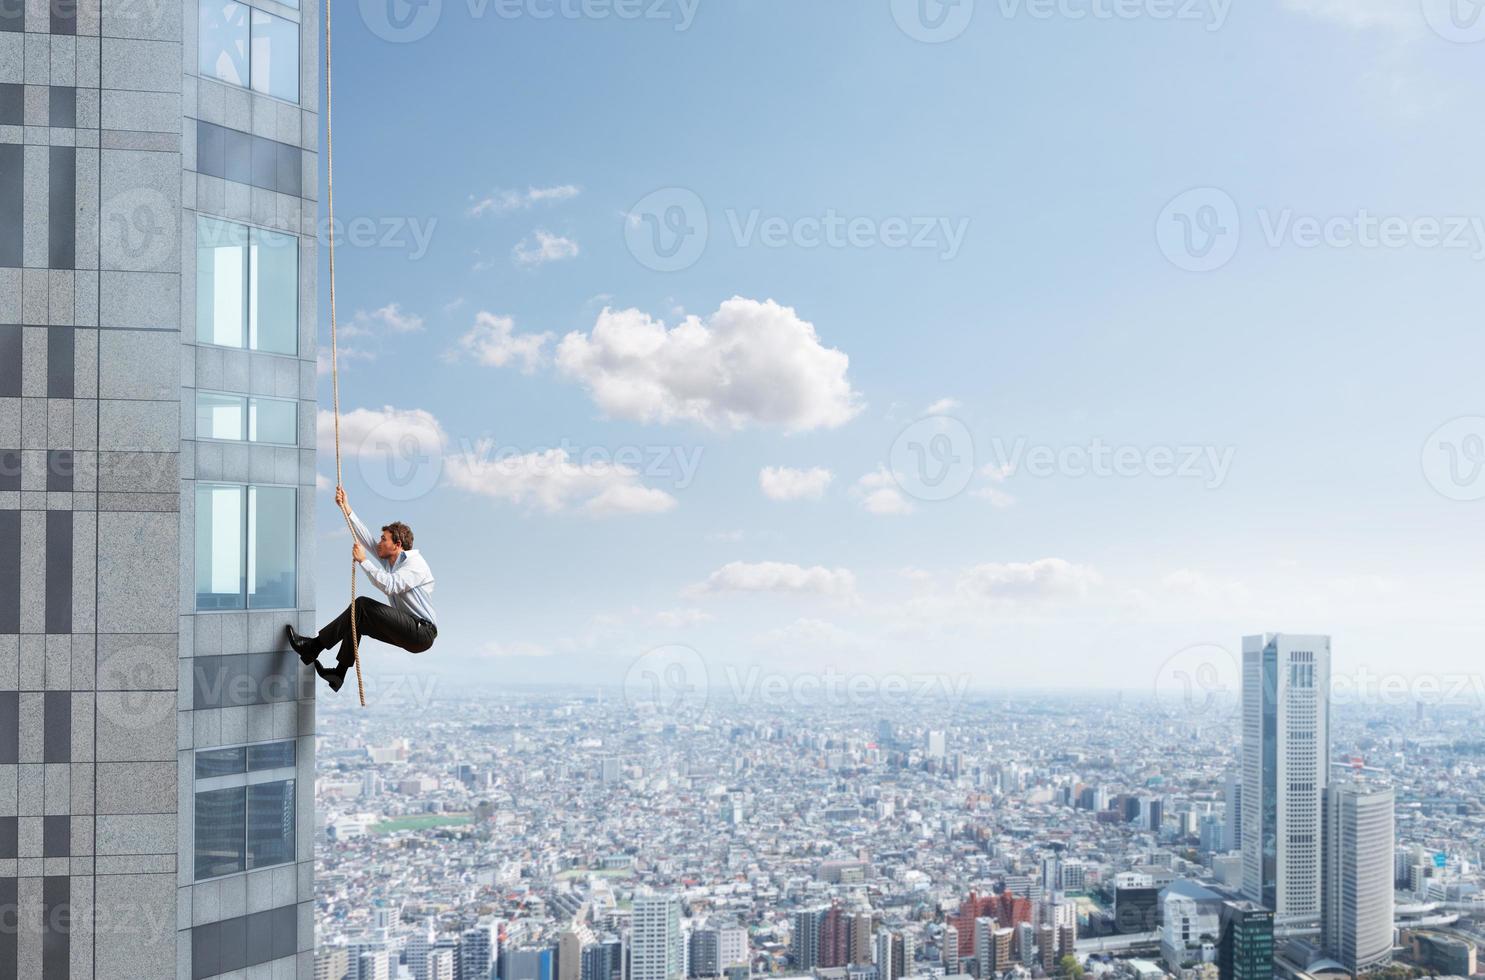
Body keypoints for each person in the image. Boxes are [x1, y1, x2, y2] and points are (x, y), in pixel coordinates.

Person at [287, 487, 437, 692]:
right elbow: (365, 537)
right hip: (408, 630)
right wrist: (346, 508)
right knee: (360, 622)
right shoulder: (392, 562)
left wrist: (364, 561)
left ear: (398, 544)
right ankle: (338, 674)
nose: (379, 543)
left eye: (384, 539)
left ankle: (314, 646)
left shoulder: (415, 565)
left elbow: (390, 585)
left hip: (422, 633)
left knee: (363, 606)